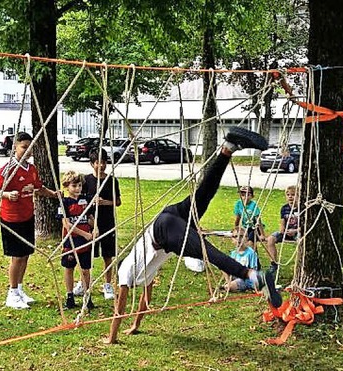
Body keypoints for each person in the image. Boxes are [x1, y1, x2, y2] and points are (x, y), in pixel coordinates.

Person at [104, 127, 282, 344]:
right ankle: (228, 148)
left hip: (164, 231)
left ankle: (254, 276)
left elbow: (119, 307)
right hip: (168, 218)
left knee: (207, 252)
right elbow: (145, 300)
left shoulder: (125, 272)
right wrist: (136, 325)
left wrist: (111, 338)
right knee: (204, 194)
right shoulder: (142, 274)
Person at [0, 132, 60, 309]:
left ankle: (20, 289)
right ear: (15, 147)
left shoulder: (31, 169)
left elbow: (38, 188)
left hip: (28, 216)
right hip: (12, 218)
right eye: (24, 147)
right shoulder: (9, 168)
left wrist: (52, 194)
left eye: (30, 147)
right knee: (16, 257)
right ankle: (11, 293)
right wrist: (6, 194)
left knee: (26, 254)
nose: (28, 150)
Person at [76, 147, 121, 300]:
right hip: (90, 223)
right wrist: (90, 204)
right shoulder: (86, 180)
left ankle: (108, 285)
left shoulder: (112, 180)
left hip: (107, 222)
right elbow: (80, 200)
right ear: (92, 164)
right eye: (97, 162)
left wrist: (105, 202)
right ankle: (83, 283)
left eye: (103, 162)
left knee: (108, 254)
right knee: (86, 255)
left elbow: (118, 202)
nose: (101, 166)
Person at [57, 171, 97, 309]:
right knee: (69, 268)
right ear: (67, 186)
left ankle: (87, 296)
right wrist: (84, 234)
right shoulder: (64, 203)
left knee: (86, 270)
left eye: (80, 185)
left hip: (86, 243)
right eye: (74, 186)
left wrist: (95, 228)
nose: (78, 188)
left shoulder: (85, 200)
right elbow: (67, 224)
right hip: (71, 242)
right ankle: (69, 296)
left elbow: (90, 217)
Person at [266, 185, 299, 269]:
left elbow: (305, 225)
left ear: (299, 196)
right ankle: (273, 263)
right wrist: (282, 230)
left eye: (293, 194)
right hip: (286, 232)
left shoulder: (302, 208)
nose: (290, 197)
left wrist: (295, 231)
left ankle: (299, 265)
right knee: (270, 239)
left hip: (298, 232)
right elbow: (282, 222)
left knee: (301, 241)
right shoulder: (284, 208)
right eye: (288, 195)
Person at [222, 228, 260, 292]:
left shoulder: (251, 253)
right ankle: (228, 282)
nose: (238, 239)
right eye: (235, 236)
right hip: (235, 276)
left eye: (241, 236)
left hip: (245, 279)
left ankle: (230, 286)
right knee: (222, 265)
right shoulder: (233, 253)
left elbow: (253, 271)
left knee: (229, 287)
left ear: (247, 238)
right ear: (232, 239)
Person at [233, 185, 266, 250]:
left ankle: (254, 259)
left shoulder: (253, 205)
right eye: (242, 195)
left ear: (252, 196)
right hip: (245, 227)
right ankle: (253, 258)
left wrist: (262, 234)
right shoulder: (238, 204)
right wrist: (235, 229)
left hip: (255, 228)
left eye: (247, 195)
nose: (245, 197)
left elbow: (258, 221)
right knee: (241, 242)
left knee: (250, 242)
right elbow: (237, 218)